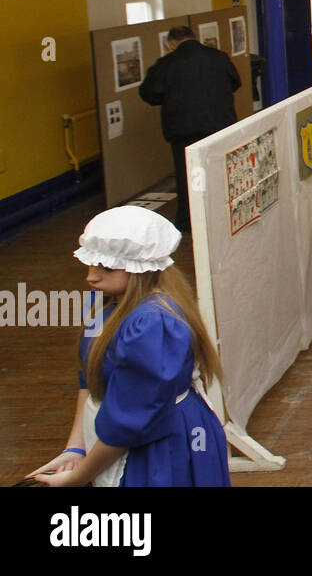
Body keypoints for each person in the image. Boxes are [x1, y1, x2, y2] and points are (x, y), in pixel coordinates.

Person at [27, 206, 229, 487]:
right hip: (114, 438)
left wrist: (78, 478)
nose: (91, 277)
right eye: (91, 264)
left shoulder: (152, 324)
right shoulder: (103, 300)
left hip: (156, 445)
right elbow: (90, 381)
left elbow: (130, 420)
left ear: (139, 268)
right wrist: (76, 448)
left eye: (106, 267)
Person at [139, 24, 241, 233]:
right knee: (221, 171)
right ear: (194, 37)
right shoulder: (218, 57)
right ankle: (225, 214)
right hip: (220, 126)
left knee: (188, 177)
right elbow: (235, 82)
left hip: (184, 130)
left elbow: (148, 93)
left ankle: (188, 221)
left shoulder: (166, 64)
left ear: (170, 44)